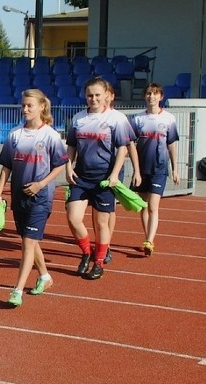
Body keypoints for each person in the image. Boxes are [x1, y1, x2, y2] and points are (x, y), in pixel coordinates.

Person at [0, 89, 68, 306]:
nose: (25, 109)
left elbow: (59, 165)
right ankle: (45, 276)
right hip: (19, 197)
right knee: (29, 241)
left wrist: (40, 184)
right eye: (23, 105)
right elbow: (6, 167)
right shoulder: (15, 134)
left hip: (41, 198)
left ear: (41, 107)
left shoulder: (51, 136)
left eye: (29, 106)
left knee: (27, 243)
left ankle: (17, 290)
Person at [64, 77, 135, 280]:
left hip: (104, 178)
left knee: (101, 223)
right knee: (73, 217)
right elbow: (71, 146)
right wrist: (68, 167)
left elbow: (123, 148)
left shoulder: (117, 119)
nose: (93, 99)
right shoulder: (78, 118)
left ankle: (99, 262)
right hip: (81, 176)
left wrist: (114, 174)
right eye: (89, 95)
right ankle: (87, 253)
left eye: (97, 95)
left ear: (106, 96)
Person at [129, 83, 180, 256]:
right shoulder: (137, 119)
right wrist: (135, 169)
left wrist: (175, 169)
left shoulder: (168, 118)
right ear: (145, 96)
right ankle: (147, 237)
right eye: (149, 93)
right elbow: (130, 144)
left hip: (159, 168)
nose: (152, 97)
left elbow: (171, 145)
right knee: (143, 206)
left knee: (152, 206)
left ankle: (150, 240)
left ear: (161, 97)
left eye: (155, 94)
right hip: (142, 168)